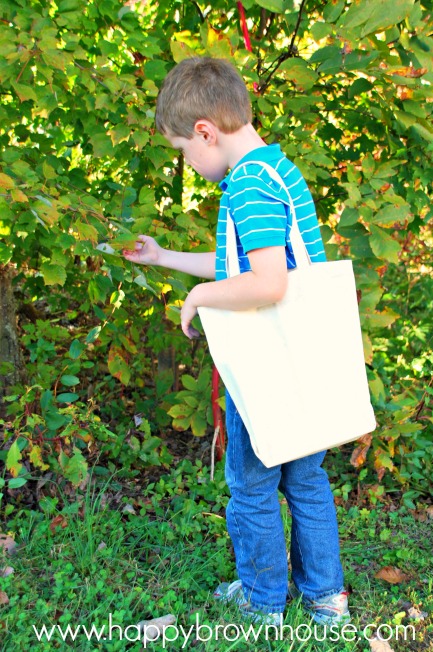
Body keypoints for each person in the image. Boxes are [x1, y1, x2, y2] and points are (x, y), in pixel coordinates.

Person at [123, 57, 350, 627]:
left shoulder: (244, 186)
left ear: (205, 132)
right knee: (306, 477)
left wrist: (198, 299)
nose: (188, 162)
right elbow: (243, 264)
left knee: (250, 482)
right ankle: (326, 597)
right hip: (305, 361)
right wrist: (165, 258)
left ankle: (263, 599)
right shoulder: (277, 170)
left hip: (269, 366)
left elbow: (267, 283)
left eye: (182, 151)